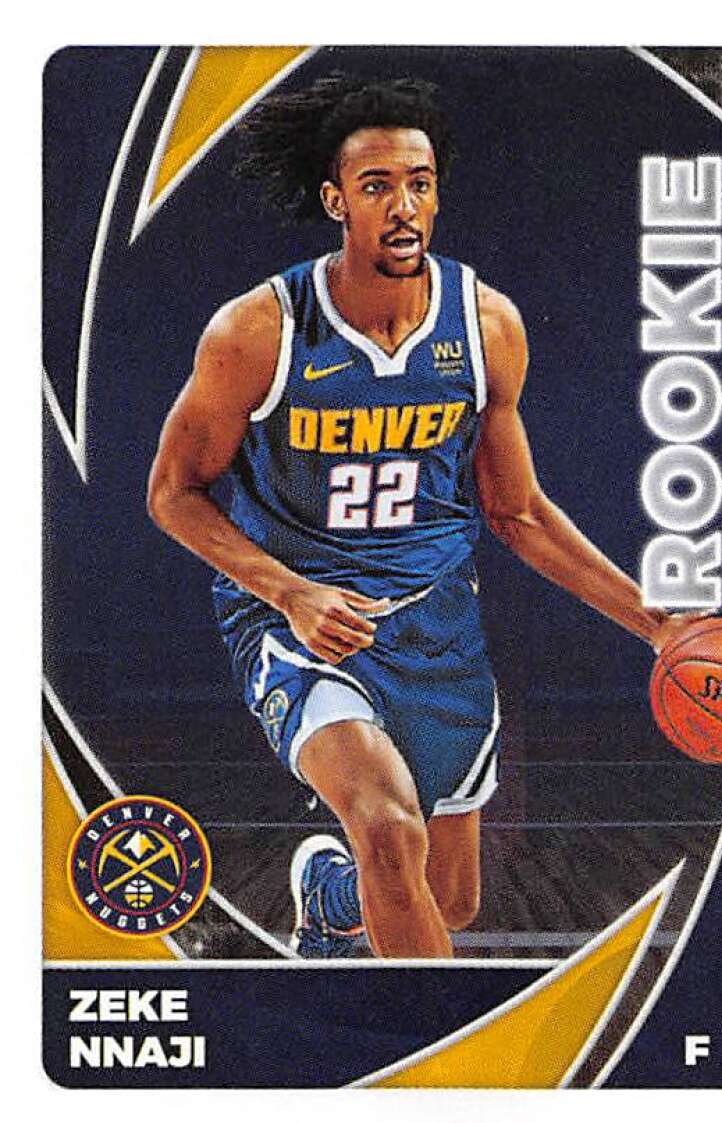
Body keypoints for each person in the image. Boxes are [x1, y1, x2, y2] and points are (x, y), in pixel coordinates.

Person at [148, 74, 688, 960]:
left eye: (420, 183)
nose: (403, 207)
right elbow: (172, 491)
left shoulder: (486, 326)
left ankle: (328, 895)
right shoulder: (257, 332)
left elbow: (518, 512)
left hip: (436, 625)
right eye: (377, 186)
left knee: (450, 899)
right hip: (302, 624)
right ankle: (445, 1042)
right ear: (336, 201)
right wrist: (288, 593)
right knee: (388, 829)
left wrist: (658, 623)